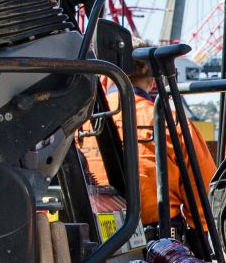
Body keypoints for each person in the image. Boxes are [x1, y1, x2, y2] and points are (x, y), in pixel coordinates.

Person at [77, 47, 216, 233]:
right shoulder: (171, 122)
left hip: (93, 239)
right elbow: (205, 200)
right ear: (152, 77)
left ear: (105, 75)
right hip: (157, 243)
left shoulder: (82, 123)